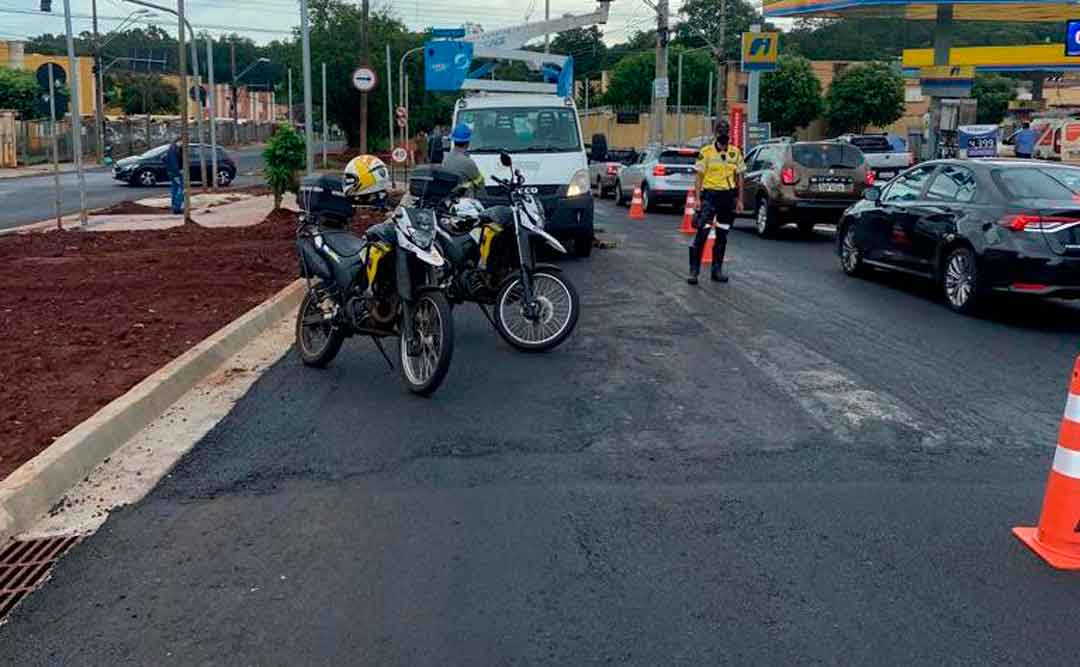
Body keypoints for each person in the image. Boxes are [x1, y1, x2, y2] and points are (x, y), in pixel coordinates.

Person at [688, 120, 745, 285]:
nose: (723, 135)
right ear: (715, 134)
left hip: (727, 198)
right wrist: (698, 199)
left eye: (726, 132)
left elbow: (740, 177)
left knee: (722, 235)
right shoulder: (706, 152)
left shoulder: (735, 153)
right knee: (702, 233)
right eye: (720, 132)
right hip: (710, 197)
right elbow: (698, 177)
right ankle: (694, 271)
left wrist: (740, 200)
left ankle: (717, 270)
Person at [441, 124, 485, 198]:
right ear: (467, 142)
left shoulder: (446, 159)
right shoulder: (467, 162)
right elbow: (480, 184)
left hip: (449, 199)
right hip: (465, 201)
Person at [166, 137, 184, 215]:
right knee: (181, 188)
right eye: (183, 142)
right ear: (179, 141)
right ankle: (177, 207)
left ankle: (175, 206)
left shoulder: (173, 148)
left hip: (172, 172)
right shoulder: (174, 150)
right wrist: (178, 172)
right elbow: (174, 162)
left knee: (175, 189)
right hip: (175, 173)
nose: (183, 144)